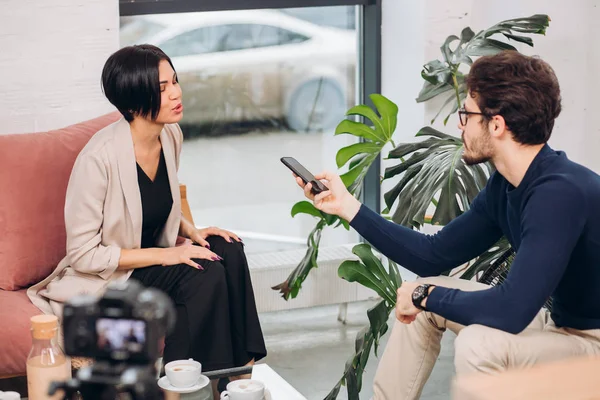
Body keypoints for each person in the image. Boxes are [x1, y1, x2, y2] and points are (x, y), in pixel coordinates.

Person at [294, 51, 600, 399]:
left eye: (466, 114)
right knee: (424, 293)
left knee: (476, 342)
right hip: (559, 328)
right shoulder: (507, 185)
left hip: (592, 344)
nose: (460, 125)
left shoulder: (559, 193)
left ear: (496, 124)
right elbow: (432, 255)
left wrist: (425, 296)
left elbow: (512, 311)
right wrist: (347, 206)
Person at [27, 44, 267, 398]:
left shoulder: (170, 136)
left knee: (227, 250)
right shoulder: (99, 159)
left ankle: (234, 375)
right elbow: (82, 254)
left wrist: (192, 231)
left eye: (175, 81)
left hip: (155, 259)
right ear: (133, 102)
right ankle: (192, 385)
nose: (176, 93)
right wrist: (167, 256)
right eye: (162, 88)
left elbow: (157, 204)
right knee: (203, 273)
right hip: (114, 275)